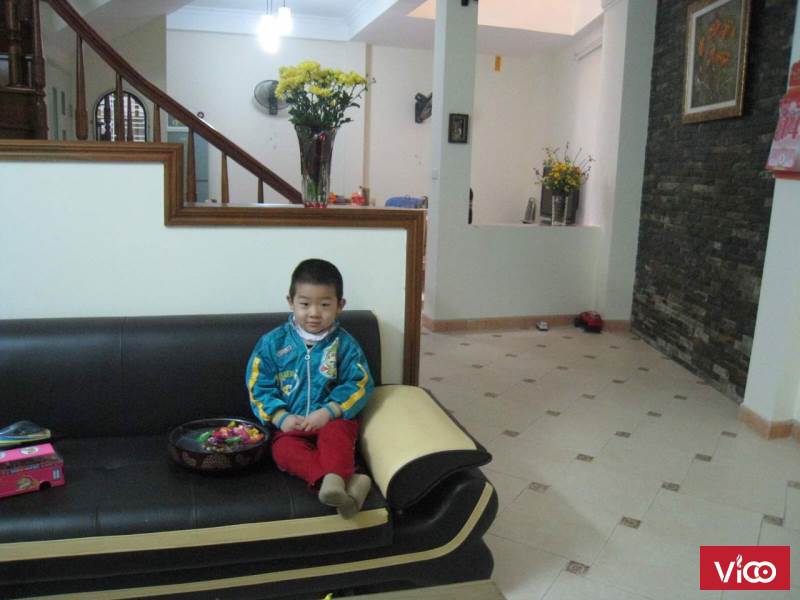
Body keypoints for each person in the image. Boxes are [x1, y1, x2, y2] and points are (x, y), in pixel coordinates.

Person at [245, 259, 374, 518]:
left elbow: (360, 383)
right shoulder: (272, 343)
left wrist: (328, 411)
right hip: (292, 426)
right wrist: (280, 417)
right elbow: (258, 386)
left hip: (332, 420)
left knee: (337, 437)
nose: (314, 313)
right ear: (291, 302)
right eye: (305, 304)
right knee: (282, 451)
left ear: (340, 305)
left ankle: (335, 479)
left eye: (325, 305)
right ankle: (343, 482)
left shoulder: (345, 345)